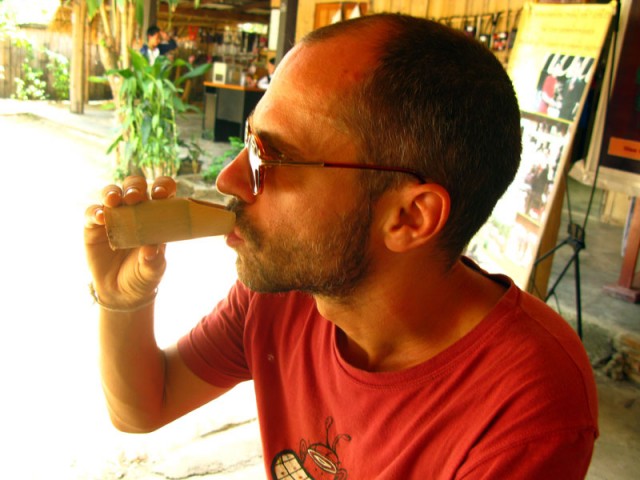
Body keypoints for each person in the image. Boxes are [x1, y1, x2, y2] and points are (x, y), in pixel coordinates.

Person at [85, 14, 598, 479]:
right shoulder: (288, 293)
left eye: (271, 158)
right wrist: (123, 300)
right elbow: (144, 407)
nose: (228, 179)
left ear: (409, 217)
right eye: (248, 140)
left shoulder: (527, 404)